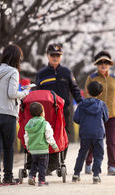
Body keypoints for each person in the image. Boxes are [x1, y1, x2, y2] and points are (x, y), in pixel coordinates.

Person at [0, 44, 31, 187]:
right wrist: (25, 92)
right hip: (7, 114)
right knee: (8, 147)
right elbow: (11, 94)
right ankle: (8, 177)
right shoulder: (13, 72)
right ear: (17, 58)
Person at [84, 50, 115, 176]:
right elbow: (87, 96)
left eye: (106, 62)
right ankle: (89, 162)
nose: (103, 65)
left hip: (111, 115)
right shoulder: (92, 78)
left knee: (111, 141)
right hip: (95, 115)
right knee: (94, 140)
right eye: (100, 63)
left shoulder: (114, 79)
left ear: (110, 64)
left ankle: (111, 166)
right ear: (97, 65)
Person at [35, 43, 83, 171]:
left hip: (63, 110)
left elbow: (75, 89)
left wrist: (81, 103)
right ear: (47, 56)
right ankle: (47, 164)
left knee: (63, 135)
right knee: (45, 135)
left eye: (58, 55)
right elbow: (36, 92)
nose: (55, 57)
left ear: (61, 56)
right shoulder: (42, 73)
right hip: (45, 112)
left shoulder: (66, 72)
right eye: (52, 55)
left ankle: (59, 161)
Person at [72, 81, 109, 184]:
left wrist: (84, 122)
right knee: (98, 154)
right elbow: (106, 118)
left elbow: (75, 118)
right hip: (98, 134)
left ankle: (76, 174)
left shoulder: (81, 105)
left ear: (87, 91)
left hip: (85, 133)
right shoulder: (102, 105)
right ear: (100, 93)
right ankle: (96, 175)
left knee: (82, 153)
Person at [24, 102, 60, 186]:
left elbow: (26, 136)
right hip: (43, 150)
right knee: (42, 166)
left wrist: (28, 146)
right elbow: (49, 136)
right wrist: (54, 146)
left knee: (34, 164)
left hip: (33, 150)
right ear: (42, 113)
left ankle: (32, 176)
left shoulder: (29, 124)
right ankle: (41, 180)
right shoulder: (45, 124)